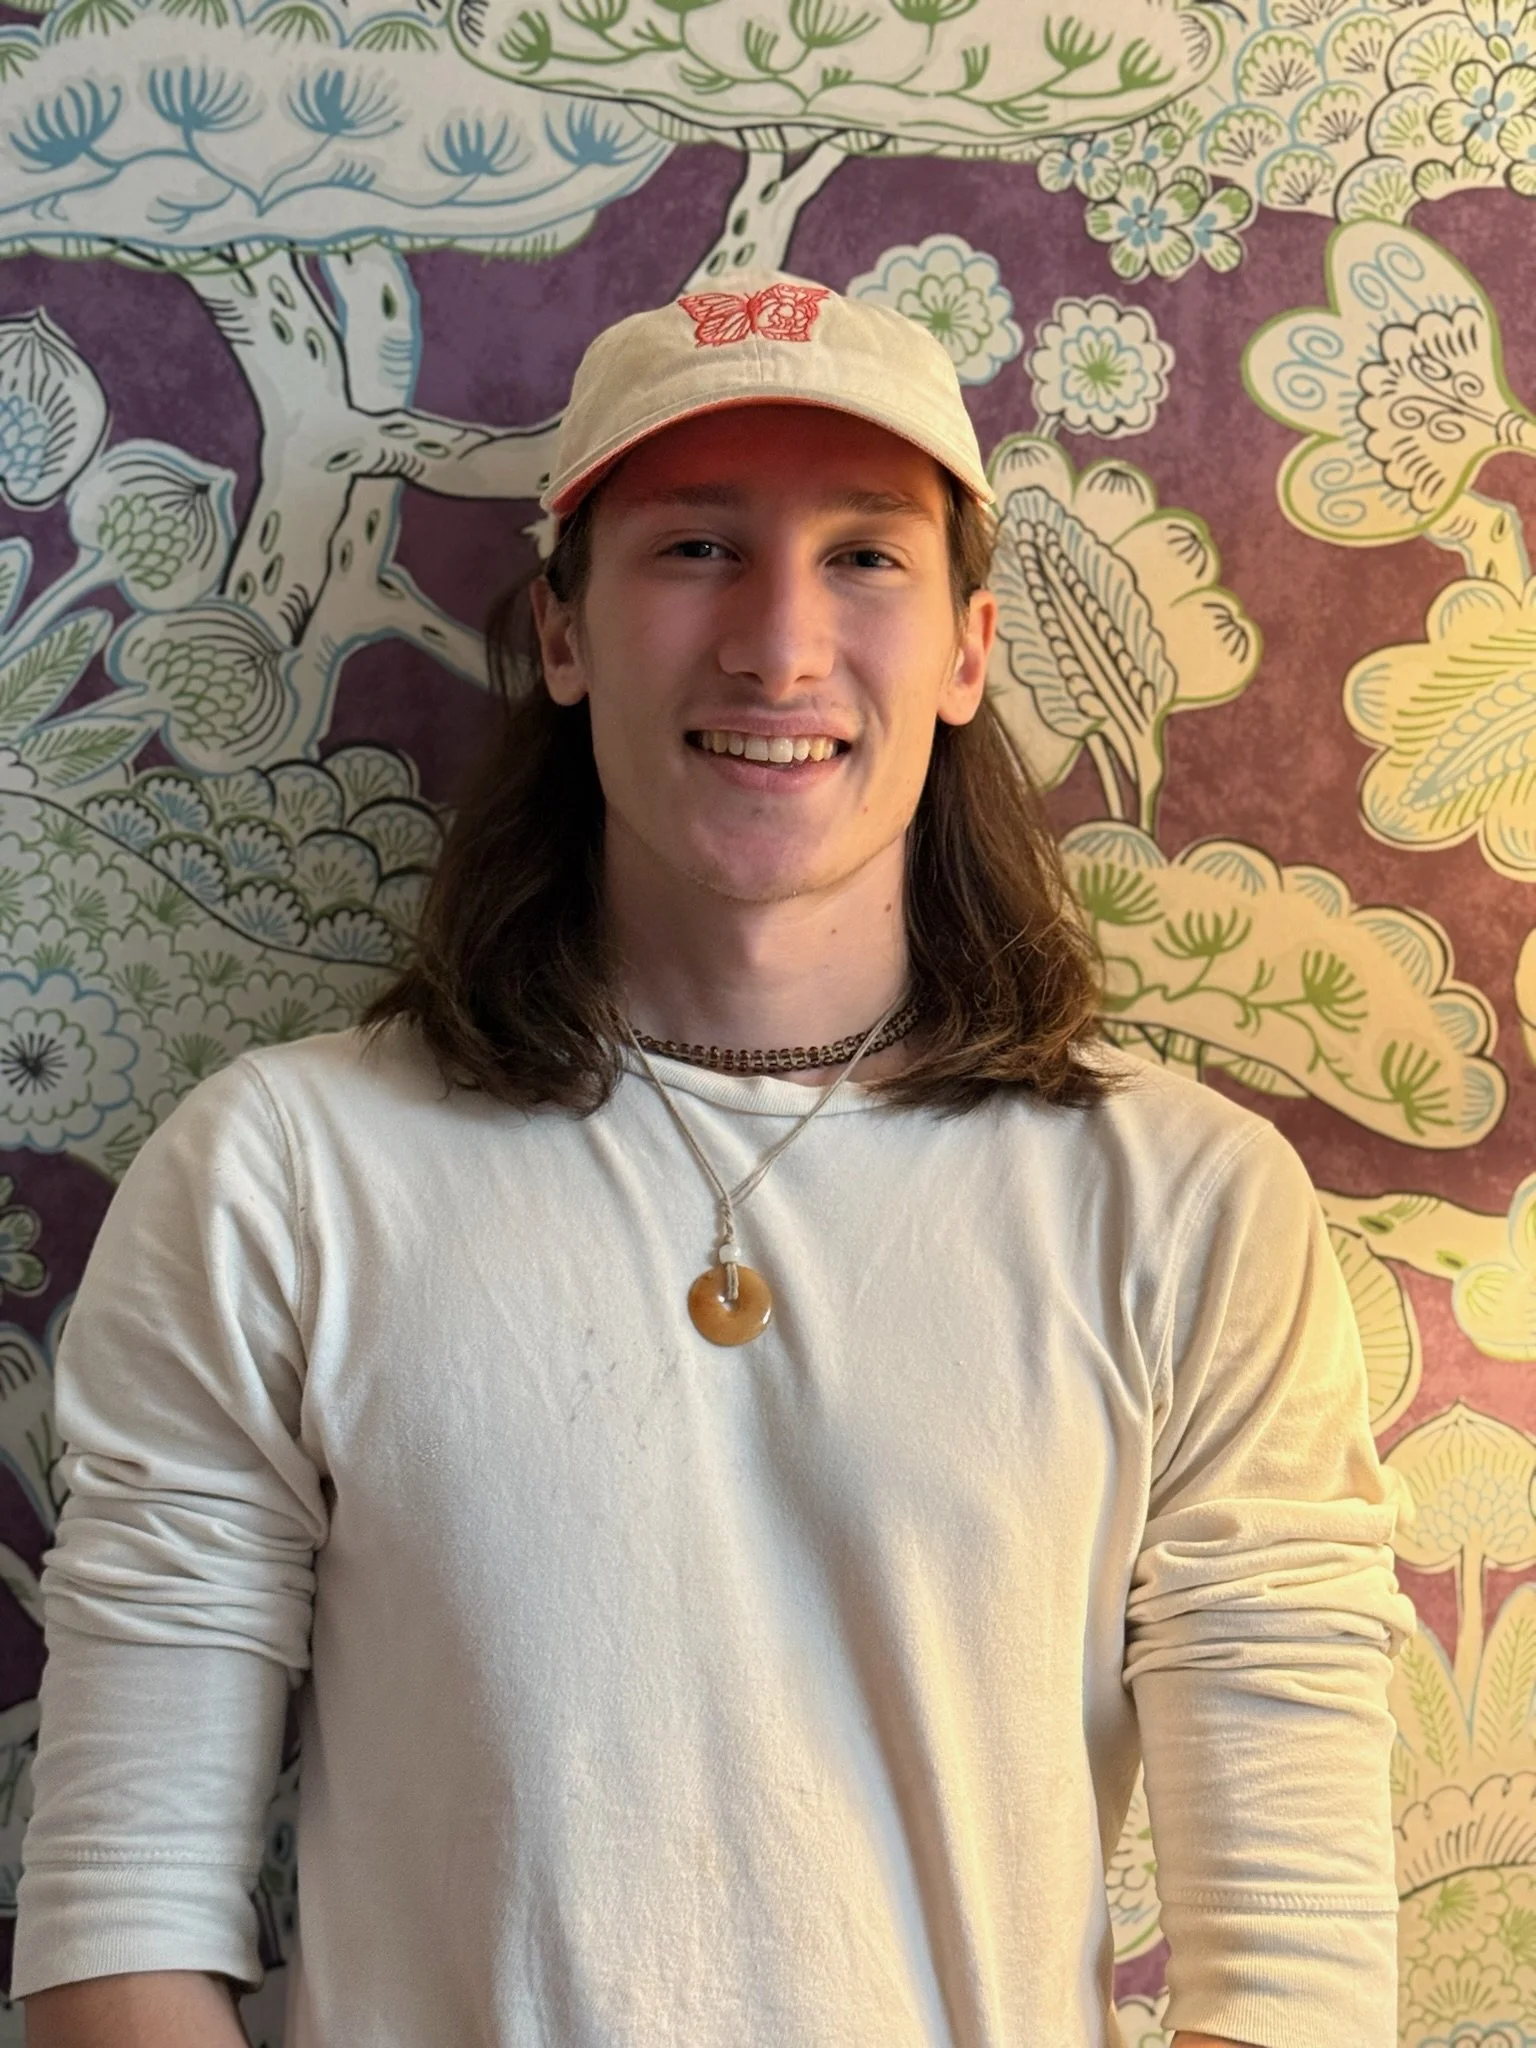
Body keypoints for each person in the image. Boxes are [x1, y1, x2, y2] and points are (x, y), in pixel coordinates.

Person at [13, 274, 1414, 2048]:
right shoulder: (279, 1177)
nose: (779, 645)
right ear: (566, 632)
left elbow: (1291, 1972)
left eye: (865, 556)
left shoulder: (1186, 1204)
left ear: (969, 651)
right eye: (695, 549)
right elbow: (120, 1920)